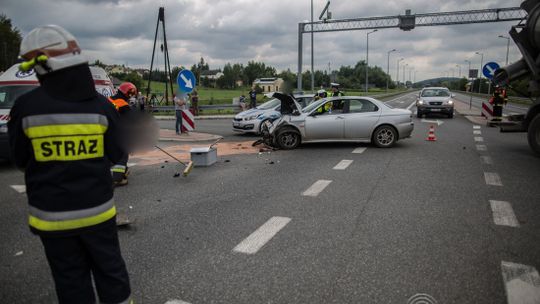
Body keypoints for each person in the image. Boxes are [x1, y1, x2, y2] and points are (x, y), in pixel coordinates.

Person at [7, 25, 131, 304]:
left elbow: (21, 159)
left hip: (51, 218)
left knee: (70, 280)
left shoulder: (25, 107)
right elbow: (116, 152)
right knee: (110, 272)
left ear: (40, 67)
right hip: (98, 212)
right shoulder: (101, 106)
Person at [109, 82, 137, 187]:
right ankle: (117, 179)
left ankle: (122, 170)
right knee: (123, 154)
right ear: (128, 93)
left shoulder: (109, 100)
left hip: (106, 132)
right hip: (117, 134)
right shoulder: (122, 104)